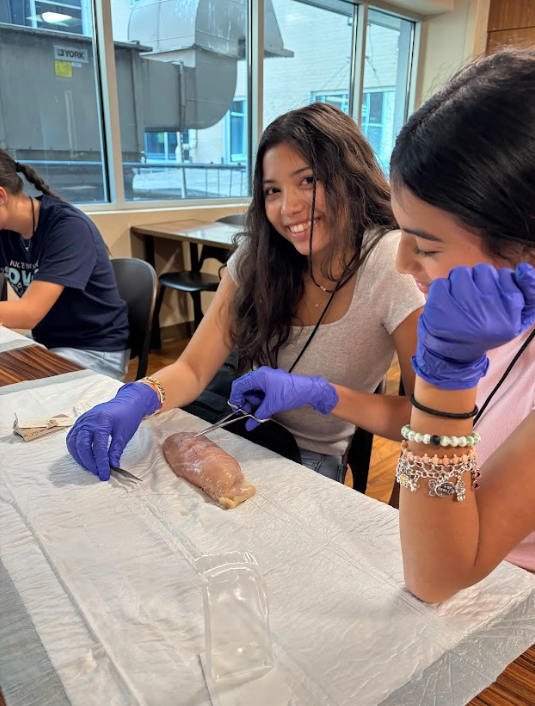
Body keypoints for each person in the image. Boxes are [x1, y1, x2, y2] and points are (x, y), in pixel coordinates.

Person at [230, 48, 535, 601]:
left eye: (426, 245)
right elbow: (428, 424)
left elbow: (437, 576)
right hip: (445, 552)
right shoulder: (493, 298)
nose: (402, 264)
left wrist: (447, 370)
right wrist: (320, 393)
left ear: (525, 243)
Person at [66, 103, 424, 482]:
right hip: (237, 430)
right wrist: (139, 397)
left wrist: (322, 394)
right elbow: (192, 367)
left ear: (349, 175)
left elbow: (425, 420)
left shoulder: (391, 262)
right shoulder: (259, 255)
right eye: (273, 190)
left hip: (309, 458)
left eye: (307, 180)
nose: (290, 208)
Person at [0, 151, 130, 379]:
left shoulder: (69, 227)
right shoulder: (6, 231)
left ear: (1, 196)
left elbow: (29, 313)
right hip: (49, 342)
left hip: (96, 351)